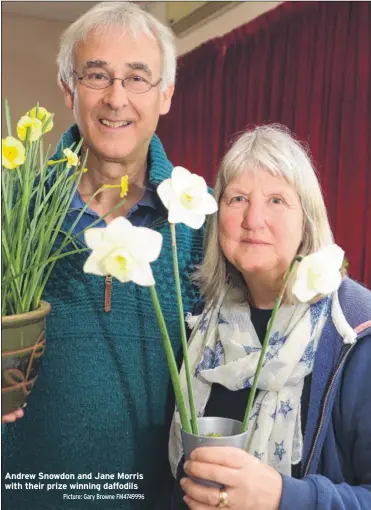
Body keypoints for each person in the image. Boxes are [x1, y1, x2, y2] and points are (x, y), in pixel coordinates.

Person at [2, 3, 205, 509]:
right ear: (69, 89)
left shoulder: (199, 221)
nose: (117, 98)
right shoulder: (12, 207)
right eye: (97, 75)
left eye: (137, 78)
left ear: (166, 94)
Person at [170, 125, 371, 509]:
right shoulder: (199, 326)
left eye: (277, 200)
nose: (253, 219)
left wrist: (283, 497)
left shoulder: (356, 333)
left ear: (307, 219)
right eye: (238, 198)